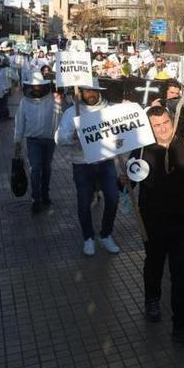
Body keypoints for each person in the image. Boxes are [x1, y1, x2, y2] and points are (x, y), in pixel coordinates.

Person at [131, 106, 184, 349]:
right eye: (156, 125)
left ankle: (182, 326)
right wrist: (122, 177)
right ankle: (152, 299)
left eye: (166, 122)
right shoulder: (142, 149)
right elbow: (127, 182)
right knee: (154, 264)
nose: (163, 128)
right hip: (154, 224)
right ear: (149, 128)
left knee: (182, 275)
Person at [54, 78, 121, 257]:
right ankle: (88, 238)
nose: (90, 94)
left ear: (99, 91)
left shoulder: (109, 110)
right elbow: (59, 138)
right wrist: (73, 137)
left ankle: (106, 234)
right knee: (84, 202)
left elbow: (122, 131)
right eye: (86, 91)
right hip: (82, 164)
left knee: (113, 198)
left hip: (105, 162)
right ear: (80, 93)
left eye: (93, 90)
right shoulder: (71, 113)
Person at [13, 70, 60, 214]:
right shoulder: (24, 102)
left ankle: (45, 194)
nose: (36, 88)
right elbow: (19, 122)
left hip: (49, 140)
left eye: (39, 86)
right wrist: (17, 142)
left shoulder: (52, 99)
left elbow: (61, 113)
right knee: (35, 169)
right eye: (34, 86)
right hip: (33, 141)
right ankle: (36, 198)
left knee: (46, 168)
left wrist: (61, 98)